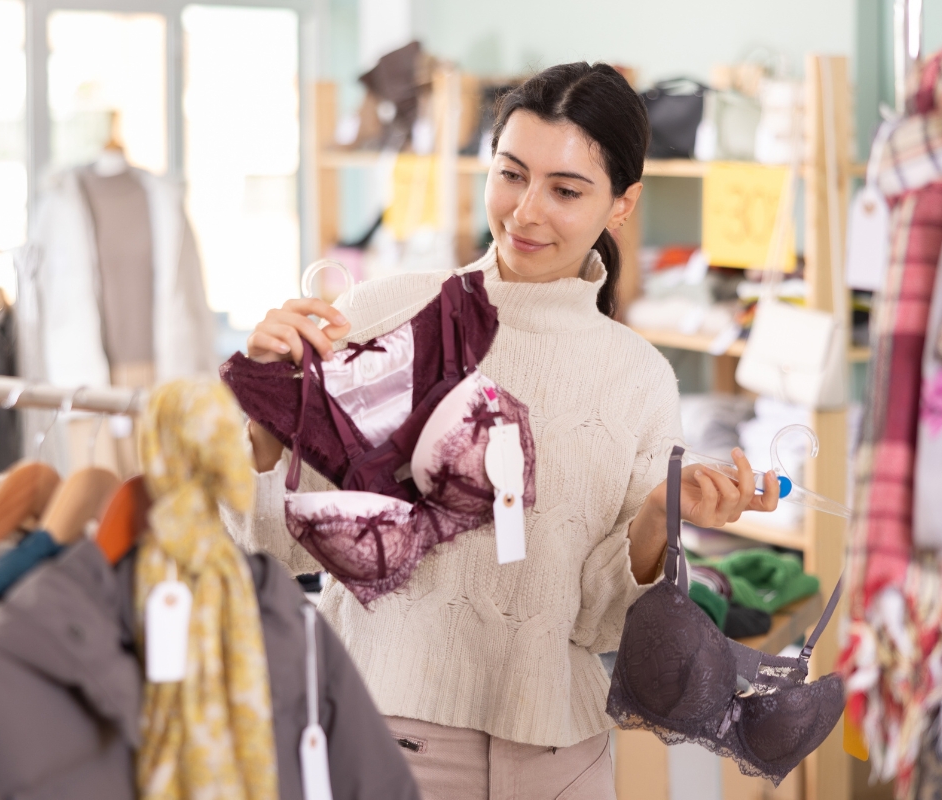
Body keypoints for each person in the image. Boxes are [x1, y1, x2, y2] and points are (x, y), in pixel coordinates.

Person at [227, 62, 781, 799]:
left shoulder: (639, 378)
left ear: (622, 204)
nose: (525, 212)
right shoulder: (390, 313)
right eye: (511, 175)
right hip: (391, 732)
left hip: (563, 756)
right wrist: (269, 405)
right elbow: (274, 534)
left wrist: (656, 519)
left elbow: (602, 620)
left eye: (566, 189)